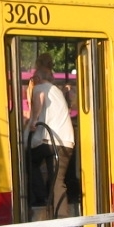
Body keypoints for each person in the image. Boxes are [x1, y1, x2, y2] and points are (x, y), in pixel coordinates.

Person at [27, 53, 75, 218]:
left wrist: (32, 122)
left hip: (47, 141)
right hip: (66, 142)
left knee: (28, 162)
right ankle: (62, 220)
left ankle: (40, 200)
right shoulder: (57, 91)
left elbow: (39, 99)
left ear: (38, 77)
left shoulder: (39, 88)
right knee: (57, 181)